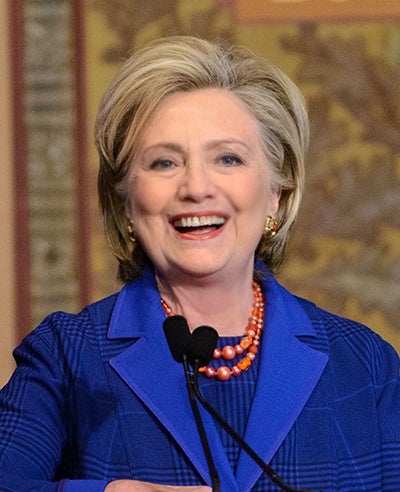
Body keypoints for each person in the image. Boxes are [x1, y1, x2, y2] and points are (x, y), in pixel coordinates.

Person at [0, 35, 399, 492]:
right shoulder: (67, 355)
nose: (196, 187)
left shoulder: (365, 365)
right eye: (165, 162)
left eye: (228, 158)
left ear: (276, 194)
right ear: (126, 200)